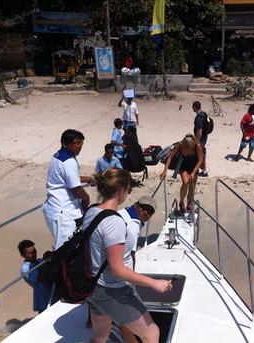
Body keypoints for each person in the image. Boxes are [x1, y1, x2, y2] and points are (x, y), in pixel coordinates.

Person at [85, 168, 172, 343]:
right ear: (121, 191)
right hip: (112, 289)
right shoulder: (114, 222)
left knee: (100, 335)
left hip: (91, 286)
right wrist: (154, 283)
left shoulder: (92, 212)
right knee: (152, 333)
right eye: (128, 189)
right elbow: (117, 270)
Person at [43, 129, 93, 248]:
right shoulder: (69, 161)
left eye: (81, 143)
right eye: (77, 143)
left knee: (63, 245)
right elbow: (77, 190)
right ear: (66, 143)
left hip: (53, 208)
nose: (80, 146)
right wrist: (86, 199)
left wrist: (89, 179)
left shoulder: (58, 156)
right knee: (65, 249)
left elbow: (68, 177)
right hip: (63, 213)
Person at [117, 196, 157, 343]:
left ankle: (91, 320)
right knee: (127, 315)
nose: (146, 213)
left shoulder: (123, 213)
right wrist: (132, 280)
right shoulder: (133, 226)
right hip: (119, 275)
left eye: (150, 212)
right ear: (136, 205)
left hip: (102, 271)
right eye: (144, 208)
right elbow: (131, 256)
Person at [160, 134, 203, 213]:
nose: (186, 152)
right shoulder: (179, 145)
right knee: (185, 182)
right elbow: (170, 157)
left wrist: (193, 172)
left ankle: (189, 203)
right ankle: (181, 202)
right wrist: (165, 170)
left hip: (194, 166)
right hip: (183, 165)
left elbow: (200, 160)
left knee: (192, 186)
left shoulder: (198, 146)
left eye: (188, 151)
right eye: (185, 150)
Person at [18, 240, 55, 313]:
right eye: (30, 253)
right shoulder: (25, 268)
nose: (34, 253)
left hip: (54, 296)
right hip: (43, 302)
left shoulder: (40, 261)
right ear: (23, 255)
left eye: (34, 250)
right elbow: (40, 277)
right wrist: (48, 261)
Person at [192, 101, 208, 177]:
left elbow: (199, 131)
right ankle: (203, 170)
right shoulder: (204, 114)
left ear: (195, 107)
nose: (192, 109)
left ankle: (202, 170)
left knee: (199, 154)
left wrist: (197, 141)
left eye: (193, 107)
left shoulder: (199, 118)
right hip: (205, 137)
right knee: (202, 153)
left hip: (201, 139)